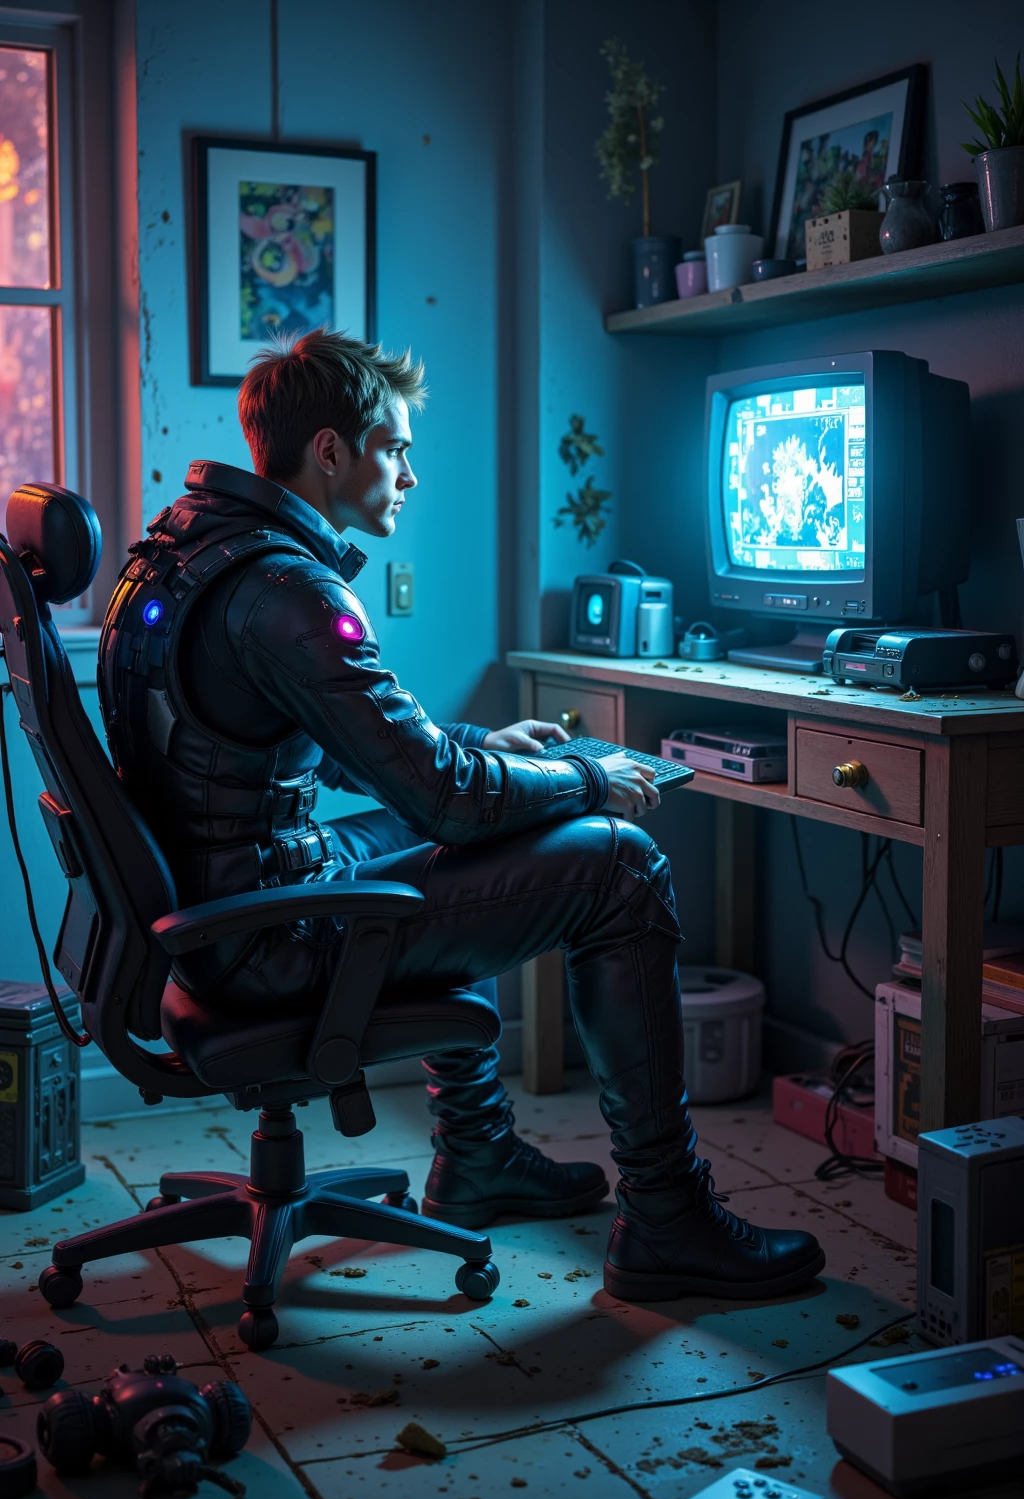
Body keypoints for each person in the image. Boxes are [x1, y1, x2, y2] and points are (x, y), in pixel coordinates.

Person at [98, 329, 825, 1303]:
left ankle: (476, 1155)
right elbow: (436, 795)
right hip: (264, 933)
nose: (406, 473)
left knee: (476, 817)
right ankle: (666, 1217)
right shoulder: (286, 590)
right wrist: (588, 781)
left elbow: (389, 757)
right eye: (393, 448)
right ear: (329, 453)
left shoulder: (192, 547)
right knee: (618, 865)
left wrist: (491, 750)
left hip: (230, 896)